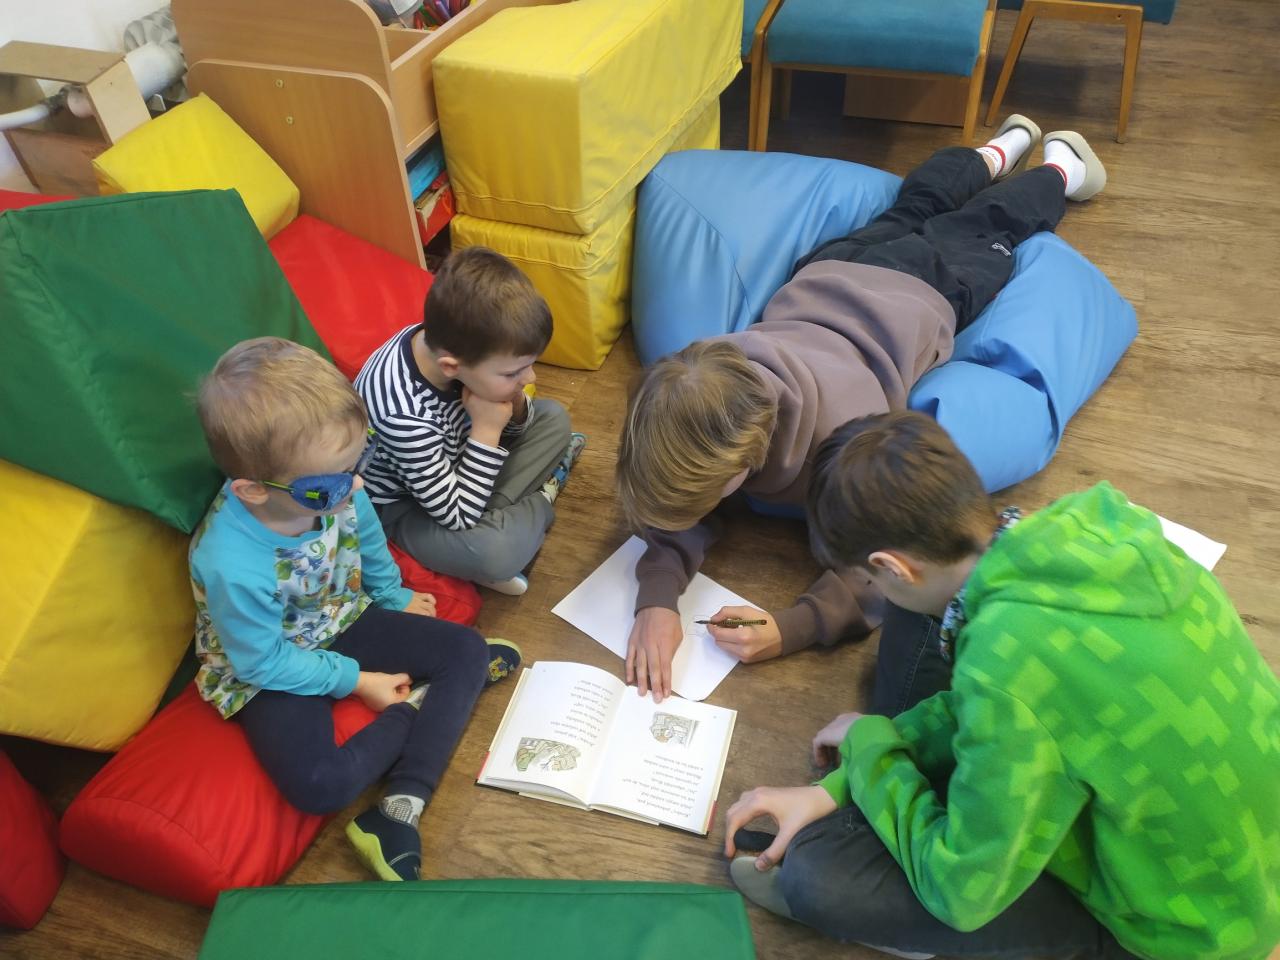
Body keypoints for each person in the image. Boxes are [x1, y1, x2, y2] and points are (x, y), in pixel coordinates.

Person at [724, 410, 1280, 960]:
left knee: (817, 876)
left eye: (872, 580)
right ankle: (885, 813)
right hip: (1238, 849)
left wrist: (869, 749)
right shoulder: (1095, 528)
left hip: (1186, 932)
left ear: (891, 566)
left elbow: (961, 893)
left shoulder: (1005, 674)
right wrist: (841, 782)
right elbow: (1022, 696)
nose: (875, 590)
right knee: (925, 618)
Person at [617, 116, 1107, 703]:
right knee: (918, 202)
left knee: (990, 223)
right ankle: (998, 150)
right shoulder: (708, 378)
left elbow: (892, 561)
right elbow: (676, 486)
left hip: (930, 289)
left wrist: (795, 626)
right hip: (832, 269)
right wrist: (657, 596)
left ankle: (1060, 167)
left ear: (740, 471)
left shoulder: (841, 442)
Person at [190, 337, 521, 882]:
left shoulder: (336, 485)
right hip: (269, 667)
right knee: (319, 785)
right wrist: (357, 682)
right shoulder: (232, 564)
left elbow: (365, 533)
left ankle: (400, 806)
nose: (355, 486)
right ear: (252, 490)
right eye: (328, 487)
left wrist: (392, 596)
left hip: (340, 614)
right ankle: (420, 704)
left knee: (466, 648)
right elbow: (261, 663)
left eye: (357, 461)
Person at [356, 246, 586, 597]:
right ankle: (541, 497)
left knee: (553, 418)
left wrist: (512, 403)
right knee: (496, 553)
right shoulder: (403, 417)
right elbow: (457, 516)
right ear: (451, 367)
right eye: (513, 372)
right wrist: (487, 429)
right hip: (405, 507)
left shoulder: (455, 342)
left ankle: (497, 513)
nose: (530, 377)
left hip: (460, 462)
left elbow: (522, 426)